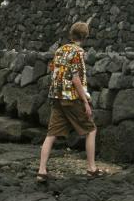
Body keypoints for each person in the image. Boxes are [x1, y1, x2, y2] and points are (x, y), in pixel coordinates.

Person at [36, 21, 103, 182]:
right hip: (71, 97)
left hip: (56, 96)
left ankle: (41, 171)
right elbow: (75, 79)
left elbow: (55, 72)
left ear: (71, 34)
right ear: (85, 36)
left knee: (51, 134)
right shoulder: (78, 52)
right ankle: (91, 168)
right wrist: (85, 101)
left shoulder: (60, 50)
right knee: (91, 130)